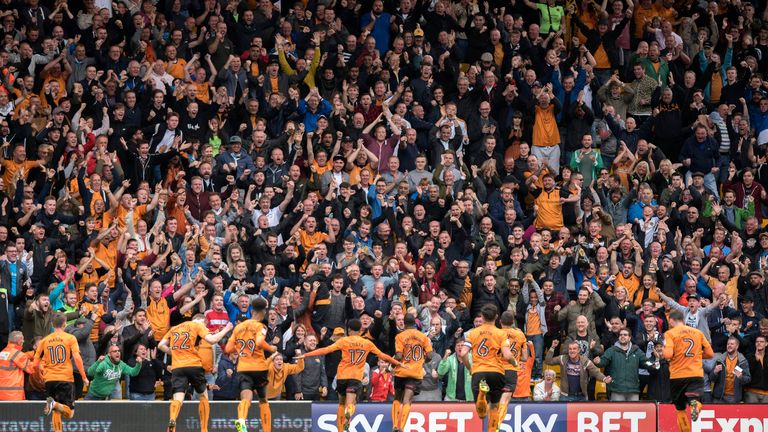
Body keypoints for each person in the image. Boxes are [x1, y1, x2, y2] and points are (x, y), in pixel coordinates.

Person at [300, 318, 402, 432]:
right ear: (360, 329)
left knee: (341, 403)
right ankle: (349, 412)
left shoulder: (344, 341)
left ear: (349, 329)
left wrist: (306, 355)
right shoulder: (367, 343)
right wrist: (398, 363)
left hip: (342, 376)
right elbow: (383, 356)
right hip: (355, 377)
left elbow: (325, 350)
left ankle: (340, 429)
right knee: (351, 403)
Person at [158, 314, 233, 432]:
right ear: (200, 321)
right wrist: (227, 329)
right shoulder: (197, 325)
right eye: (205, 324)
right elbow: (212, 340)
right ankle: (204, 429)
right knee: (203, 396)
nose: (205, 327)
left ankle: (172, 419)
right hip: (193, 365)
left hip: (178, 367)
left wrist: (176, 353)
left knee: (178, 398)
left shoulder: (174, 328)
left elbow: (160, 345)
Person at [224, 297, 277, 432]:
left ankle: (241, 420)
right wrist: (271, 349)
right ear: (264, 312)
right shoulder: (261, 327)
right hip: (259, 368)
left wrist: (241, 349)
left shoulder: (238, 327)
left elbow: (228, 349)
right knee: (263, 400)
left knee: (245, 398)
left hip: (243, 368)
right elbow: (259, 342)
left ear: (251, 310)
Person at [458, 304, 514, 432]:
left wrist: (470, 368)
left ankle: (482, 395)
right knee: (494, 407)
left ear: (482, 317)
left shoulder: (472, 333)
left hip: (479, 371)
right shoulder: (501, 333)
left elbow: (463, 353)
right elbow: (507, 355)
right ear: (496, 317)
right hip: (497, 372)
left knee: (482, 414)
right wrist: (514, 362)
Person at [33, 313, 88, 432]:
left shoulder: (44, 340)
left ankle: (54, 407)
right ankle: (55, 405)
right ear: (64, 324)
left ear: (52, 325)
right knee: (69, 413)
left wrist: (40, 375)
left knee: (56, 412)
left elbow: (35, 362)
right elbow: (77, 358)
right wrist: (84, 377)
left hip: (49, 380)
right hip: (65, 378)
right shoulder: (70, 338)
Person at [664, 309, 715, 432]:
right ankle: (696, 406)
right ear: (683, 319)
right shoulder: (698, 332)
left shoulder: (670, 334)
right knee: (694, 399)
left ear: (671, 320)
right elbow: (710, 354)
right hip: (695, 374)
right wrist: (696, 355)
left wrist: (665, 351)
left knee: (680, 409)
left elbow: (668, 355)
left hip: (678, 375)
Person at [392, 313, 433, 432]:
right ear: (415, 323)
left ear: (404, 323)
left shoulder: (400, 336)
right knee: (407, 400)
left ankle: (395, 425)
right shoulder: (423, 337)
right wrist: (422, 359)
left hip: (401, 372)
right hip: (415, 373)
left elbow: (399, 355)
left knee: (397, 398)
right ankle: (402, 427)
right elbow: (430, 356)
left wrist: (392, 363)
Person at [497, 311, 528, 424]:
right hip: (511, 371)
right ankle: (497, 425)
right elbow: (525, 358)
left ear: (500, 322)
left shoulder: (496, 333)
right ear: (513, 322)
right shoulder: (520, 335)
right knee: (504, 401)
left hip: (496, 370)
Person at [0, 331, 35, 400]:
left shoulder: (2, 353)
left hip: (1, 395)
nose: (23, 341)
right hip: (13, 395)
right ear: (19, 342)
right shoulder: (18, 354)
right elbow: (31, 368)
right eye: (23, 339)